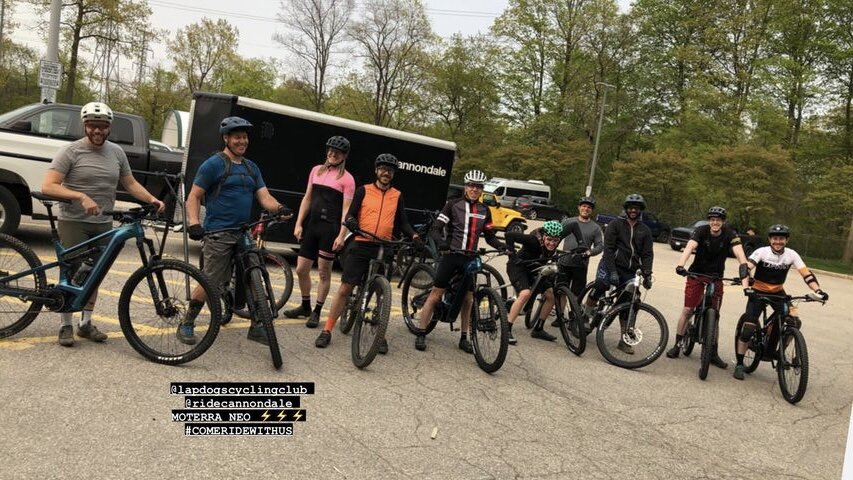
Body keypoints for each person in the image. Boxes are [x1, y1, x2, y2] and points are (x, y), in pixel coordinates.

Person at [42, 102, 165, 347]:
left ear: (109, 128)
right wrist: (80, 196)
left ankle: (85, 324)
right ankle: (65, 324)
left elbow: (129, 183)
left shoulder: (116, 152)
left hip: (103, 222)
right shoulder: (71, 151)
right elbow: (49, 186)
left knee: (95, 274)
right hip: (74, 220)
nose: (97, 131)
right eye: (92, 126)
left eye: (102, 127)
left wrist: (151, 198)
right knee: (73, 272)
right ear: (84, 126)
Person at [181, 116, 292, 345]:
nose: (242, 141)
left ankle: (256, 326)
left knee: (255, 276)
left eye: (244, 137)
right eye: (237, 137)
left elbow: (264, 197)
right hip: (218, 232)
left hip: (244, 232)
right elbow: (194, 196)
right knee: (210, 280)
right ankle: (187, 322)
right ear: (226, 138)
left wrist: (279, 207)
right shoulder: (214, 164)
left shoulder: (252, 168)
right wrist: (193, 223)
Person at [314, 154, 419, 351]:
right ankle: (327, 330)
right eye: (382, 169)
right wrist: (352, 222)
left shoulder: (397, 195)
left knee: (381, 293)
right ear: (376, 171)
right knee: (345, 288)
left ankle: (380, 334)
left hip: (384, 246)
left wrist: (414, 237)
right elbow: (351, 213)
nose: (385, 172)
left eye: (389, 170)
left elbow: (403, 222)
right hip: (362, 243)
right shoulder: (364, 191)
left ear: (393, 174)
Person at [413, 169, 507, 353]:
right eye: (471, 185)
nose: (474, 189)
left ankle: (464, 337)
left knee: (468, 299)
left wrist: (502, 247)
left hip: (470, 258)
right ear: (466, 187)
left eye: (478, 187)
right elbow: (436, 228)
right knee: (436, 294)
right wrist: (441, 244)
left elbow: (489, 236)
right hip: (452, 255)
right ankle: (421, 332)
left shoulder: (484, 210)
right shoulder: (453, 205)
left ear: (482, 189)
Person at [732, 224, 828, 380]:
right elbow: (746, 268)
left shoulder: (791, 255)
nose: (778, 241)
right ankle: (740, 364)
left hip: (778, 292)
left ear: (787, 240)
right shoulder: (762, 252)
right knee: (748, 328)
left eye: (781, 239)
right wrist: (746, 287)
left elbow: (806, 274)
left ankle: (778, 350)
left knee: (794, 322)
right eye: (775, 238)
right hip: (757, 291)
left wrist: (818, 291)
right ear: (770, 239)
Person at [285, 136, 356, 328]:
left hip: (330, 230)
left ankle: (317, 311)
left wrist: (342, 235)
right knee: (301, 269)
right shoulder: (316, 170)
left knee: (324, 273)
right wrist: (298, 223)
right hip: (312, 226)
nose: (333, 154)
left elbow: (346, 211)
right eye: (330, 151)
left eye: (337, 152)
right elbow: (307, 198)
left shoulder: (347, 179)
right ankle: (305, 305)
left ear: (344, 156)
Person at [666, 206, 750, 369]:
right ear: (708, 220)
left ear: (723, 222)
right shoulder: (701, 231)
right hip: (696, 274)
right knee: (688, 310)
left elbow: (740, 254)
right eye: (712, 219)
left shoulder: (730, 234)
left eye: (718, 220)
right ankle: (677, 344)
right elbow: (690, 247)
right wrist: (681, 265)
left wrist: (744, 272)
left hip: (716, 277)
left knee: (715, 315)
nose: (715, 222)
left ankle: (713, 353)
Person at [584, 193, 654, 354]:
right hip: (610, 264)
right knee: (601, 285)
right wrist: (613, 272)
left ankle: (624, 339)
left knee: (631, 302)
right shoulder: (615, 224)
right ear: (626, 209)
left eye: (636, 208)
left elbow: (647, 254)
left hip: (630, 270)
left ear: (640, 210)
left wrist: (647, 274)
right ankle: (586, 315)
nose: (633, 210)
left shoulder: (645, 230)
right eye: (630, 207)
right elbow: (608, 249)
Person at [504, 220, 583, 344]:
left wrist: (581, 244)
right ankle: (507, 329)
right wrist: (512, 256)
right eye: (549, 240)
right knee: (525, 294)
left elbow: (574, 225)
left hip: (536, 268)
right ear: (544, 236)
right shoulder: (532, 240)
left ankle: (538, 329)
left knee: (551, 295)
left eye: (555, 241)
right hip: (519, 267)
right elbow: (509, 235)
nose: (552, 244)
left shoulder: (558, 234)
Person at [558, 196, 604, 307]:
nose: (586, 209)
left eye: (589, 207)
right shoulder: (568, 222)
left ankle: (574, 317)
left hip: (580, 264)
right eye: (583, 206)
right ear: (579, 208)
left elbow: (600, 246)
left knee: (576, 294)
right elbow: (556, 236)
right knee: (561, 291)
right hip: (564, 262)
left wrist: (589, 252)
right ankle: (560, 317)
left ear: (591, 210)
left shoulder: (595, 228)